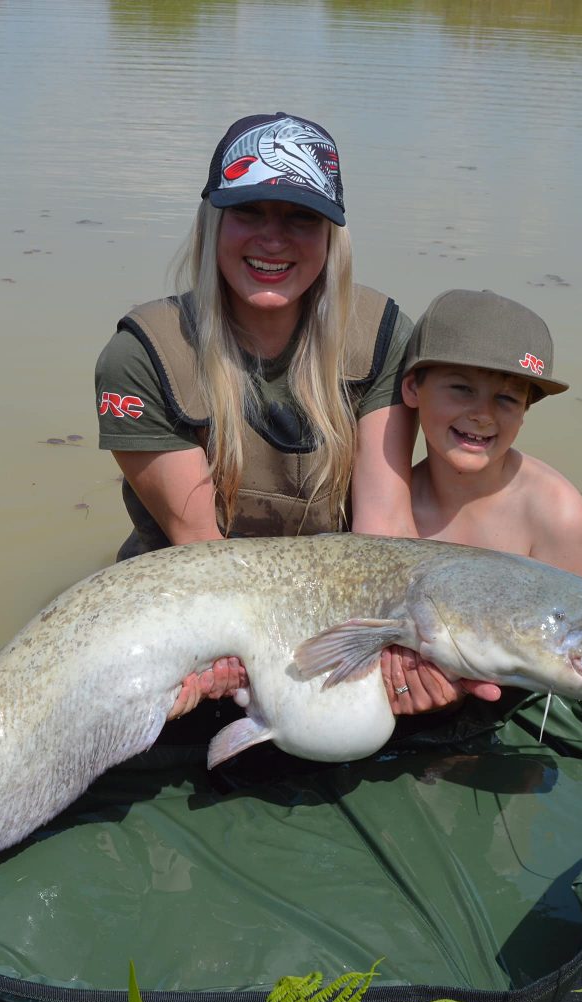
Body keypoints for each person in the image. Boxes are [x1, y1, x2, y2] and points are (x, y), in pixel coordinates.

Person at [96, 112, 496, 716]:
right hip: (191, 606)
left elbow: (384, 532)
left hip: (333, 611)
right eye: (249, 212)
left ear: (333, 235)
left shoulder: (383, 337)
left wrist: (397, 648)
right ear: (212, 222)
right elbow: (201, 551)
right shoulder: (142, 357)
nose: (273, 239)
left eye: (301, 218)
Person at [400, 288, 582, 578]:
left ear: (525, 410)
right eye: (462, 389)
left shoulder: (555, 513)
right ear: (413, 388)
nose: (483, 415)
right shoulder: (391, 505)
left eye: (507, 398)